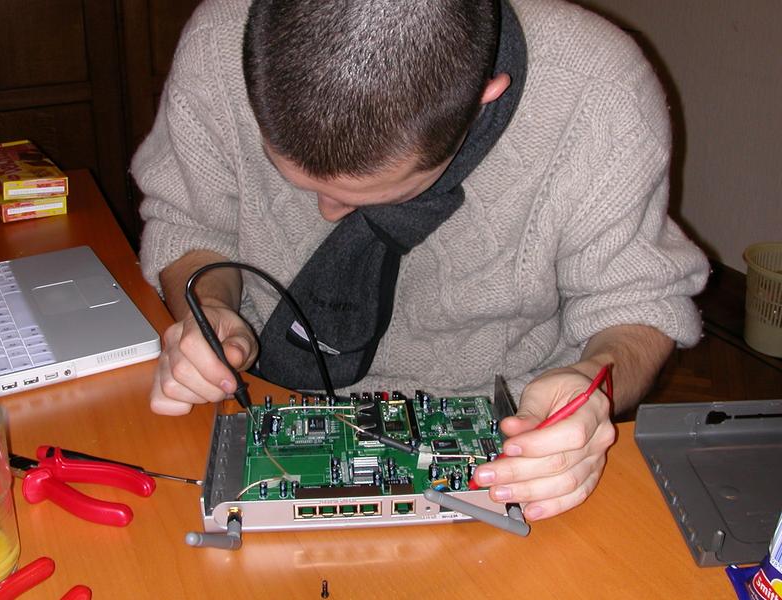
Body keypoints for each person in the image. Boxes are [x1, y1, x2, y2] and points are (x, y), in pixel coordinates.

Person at [132, 0, 709, 522]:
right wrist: (210, 309)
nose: (328, 213)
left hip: (503, 443)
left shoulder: (600, 92)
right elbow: (191, 223)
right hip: (259, 403)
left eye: (369, 194)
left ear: (482, 100)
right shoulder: (218, 42)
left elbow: (638, 304)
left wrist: (591, 385)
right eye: (302, 182)